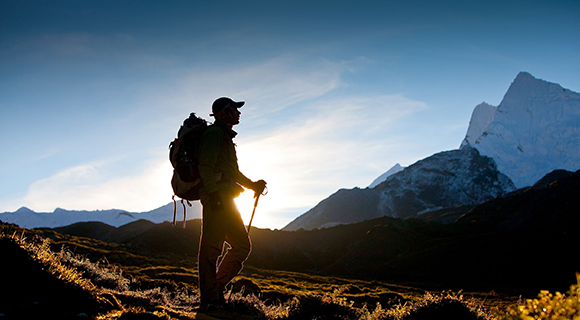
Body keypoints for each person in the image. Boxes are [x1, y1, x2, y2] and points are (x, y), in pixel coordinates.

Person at [197, 97, 266, 310]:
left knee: (242, 246)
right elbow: (205, 167)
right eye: (234, 109)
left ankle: (215, 290)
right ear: (223, 113)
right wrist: (215, 195)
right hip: (217, 198)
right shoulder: (214, 134)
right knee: (211, 248)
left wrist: (253, 185)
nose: (238, 113)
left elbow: (233, 172)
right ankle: (210, 298)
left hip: (226, 198)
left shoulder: (225, 138)